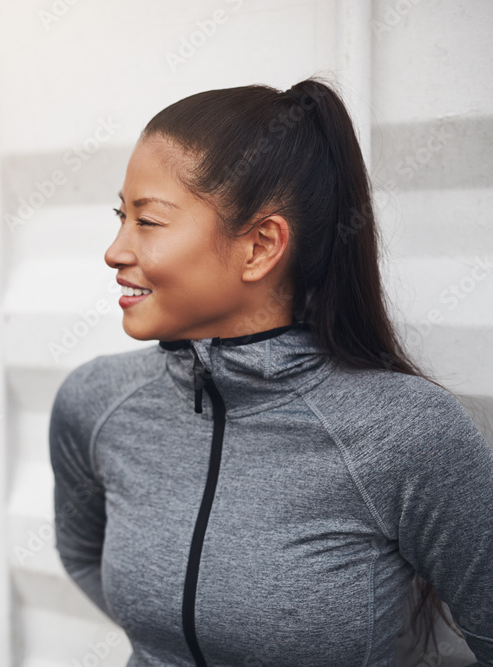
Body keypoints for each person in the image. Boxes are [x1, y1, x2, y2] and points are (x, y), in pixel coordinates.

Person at [48, 77, 493, 667]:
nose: (115, 250)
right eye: (119, 216)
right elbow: (82, 554)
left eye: (148, 221)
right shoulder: (97, 400)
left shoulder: (408, 433)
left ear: (260, 246)